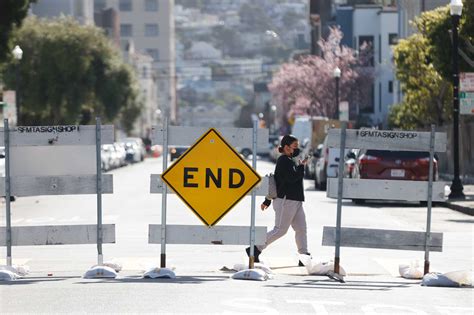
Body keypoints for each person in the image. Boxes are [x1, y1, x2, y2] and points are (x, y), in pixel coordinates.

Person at [246, 134, 310, 266]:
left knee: (301, 228)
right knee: (280, 230)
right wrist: (302, 166)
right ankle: (255, 249)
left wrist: (299, 166)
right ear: (286, 147)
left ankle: (304, 256)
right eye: (294, 146)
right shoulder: (284, 161)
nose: (297, 149)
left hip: (296, 200)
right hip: (285, 200)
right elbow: (289, 179)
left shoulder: (290, 160)